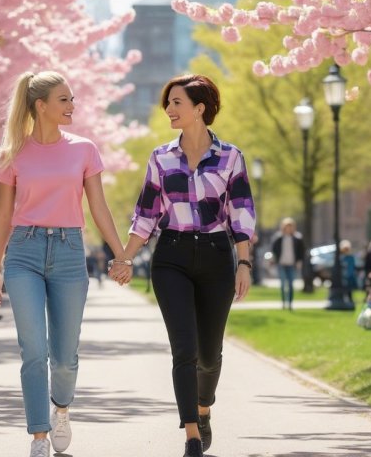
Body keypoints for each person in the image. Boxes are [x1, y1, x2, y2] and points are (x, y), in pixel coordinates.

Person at [109, 74, 255, 457]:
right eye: (168, 103)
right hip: (171, 256)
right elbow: (145, 215)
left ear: (199, 108)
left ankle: (203, 409)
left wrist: (244, 263)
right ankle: (191, 434)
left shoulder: (230, 157)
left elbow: (241, 214)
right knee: (184, 349)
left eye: (176, 103)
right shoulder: (160, 158)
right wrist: (125, 257)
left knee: (210, 354)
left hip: (216, 257)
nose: (169, 110)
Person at [0, 71, 127, 457]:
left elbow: (98, 207)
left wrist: (121, 253)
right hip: (24, 253)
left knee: (64, 357)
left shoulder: (84, 150)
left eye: (73, 98)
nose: (72, 106)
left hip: (68, 252)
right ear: (41, 106)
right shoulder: (12, 152)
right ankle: (38, 436)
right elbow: (2, 215)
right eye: (64, 99)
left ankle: (61, 408)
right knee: (33, 350)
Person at [271, 217, 304, 310]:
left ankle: (290, 304)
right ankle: (283, 304)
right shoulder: (278, 238)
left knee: (290, 285)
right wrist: (274, 259)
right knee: (282, 285)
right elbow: (274, 250)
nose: (288, 228)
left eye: (290, 226)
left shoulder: (297, 238)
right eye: (287, 226)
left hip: (292, 264)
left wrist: (299, 262)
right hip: (281, 264)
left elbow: (301, 251)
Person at [340, 239, 357, 304]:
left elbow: (352, 268)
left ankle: (350, 300)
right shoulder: (342, 258)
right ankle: (345, 300)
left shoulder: (351, 257)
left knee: (349, 290)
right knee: (344, 289)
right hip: (344, 276)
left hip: (349, 276)